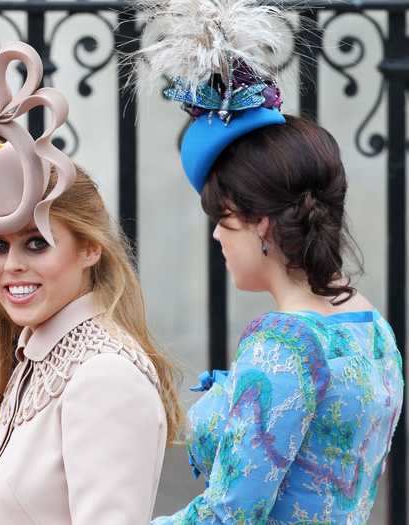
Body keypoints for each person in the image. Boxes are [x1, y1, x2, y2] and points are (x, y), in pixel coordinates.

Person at [135, 1, 404, 523]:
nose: (216, 234)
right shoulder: (373, 329)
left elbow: (229, 515)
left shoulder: (287, 345)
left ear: (260, 223)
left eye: (225, 218)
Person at [0, 41, 182, 525]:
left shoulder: (102, 376)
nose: (11, 264)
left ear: (90, 248)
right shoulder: (41, 355)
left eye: (36, 243)